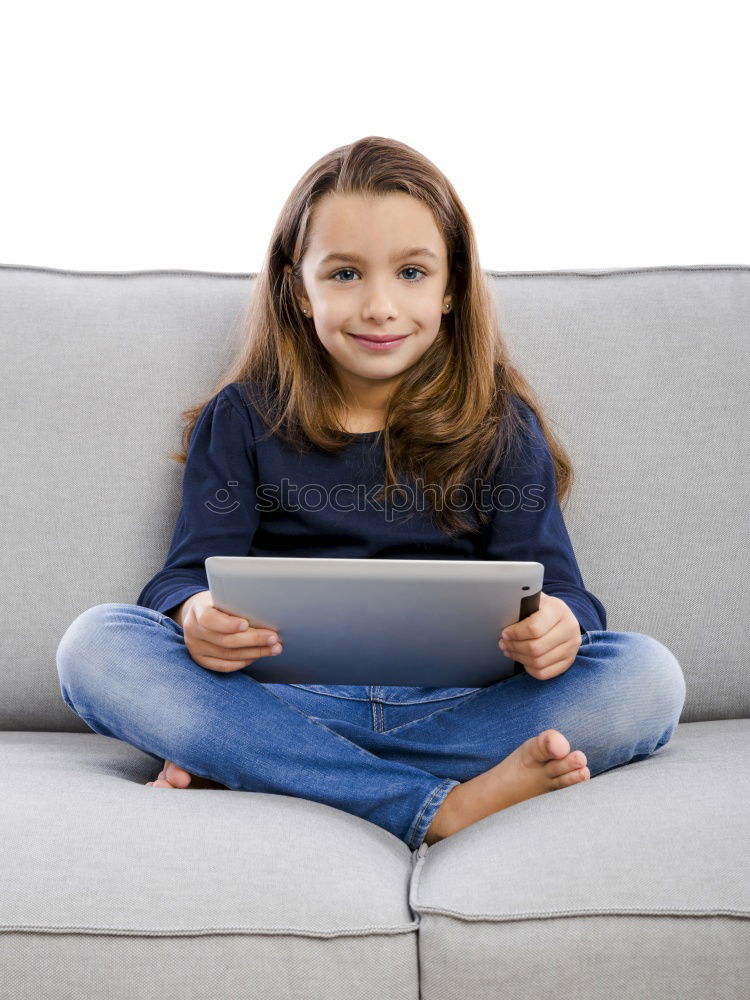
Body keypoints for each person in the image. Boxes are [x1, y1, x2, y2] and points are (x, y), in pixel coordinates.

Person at [55, 136, 686, 850]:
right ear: (299, 290)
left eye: (412, 272)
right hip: (279, 699)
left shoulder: (500, 423)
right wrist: (196, 611)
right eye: (347, 273)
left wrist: (559, 626)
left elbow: (567, 594)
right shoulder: (243, 418)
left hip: (460, 706)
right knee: (98, 645)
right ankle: (435, 805)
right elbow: (182, 576)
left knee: (646, 677)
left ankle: (258, 768)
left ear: (451, 288)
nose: (381, 306)